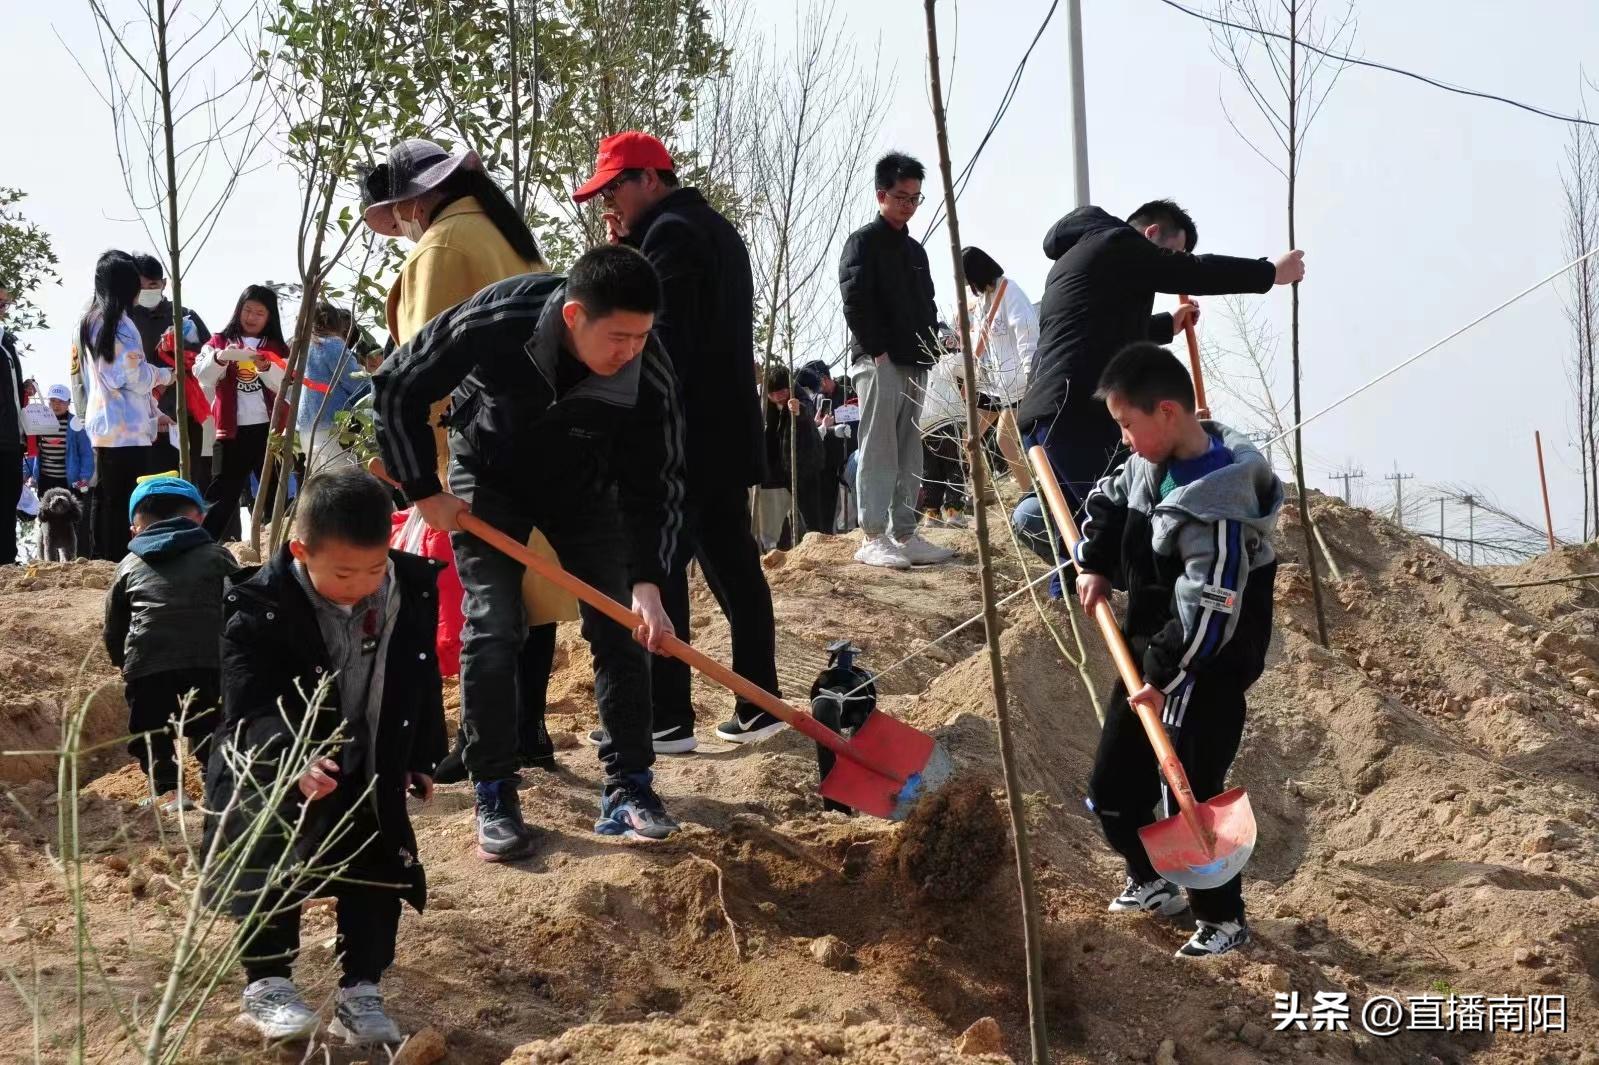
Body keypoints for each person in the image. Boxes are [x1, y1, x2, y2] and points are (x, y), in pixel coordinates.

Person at [372, 245, 685, 859]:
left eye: (642, 336)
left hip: (584, 486)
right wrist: (423, 489)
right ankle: (494, 787)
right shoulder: (498, 320)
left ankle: (629, 785)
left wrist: (648, 580)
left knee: (621, 626)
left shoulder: (650, 372)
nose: (631, 351)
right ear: (573, 316)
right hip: (487, 474)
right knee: (492, 625)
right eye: (618, 337)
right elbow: (397, 384)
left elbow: (661, 480)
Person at [202, 467, 446, 1044]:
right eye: (342, 572)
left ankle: (361, 989)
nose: (361, 583)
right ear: (300, 551)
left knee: (377, 866)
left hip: (366, 760)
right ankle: (267, 985)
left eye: (373, 568)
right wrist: (288, 758)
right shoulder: (257, 606)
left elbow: (419, 676)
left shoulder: (409, 589)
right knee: (269, 864)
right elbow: (246, 705)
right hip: (272, 766)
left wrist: (420, 754)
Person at [363, 137, 574, 778]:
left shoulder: (444, 246)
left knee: (489, 600)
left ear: (418, 200)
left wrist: (417, 473)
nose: (397, 226)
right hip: (536, 434)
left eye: (397, 213)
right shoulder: (507, 237)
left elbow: (423, 370)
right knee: (529, 585)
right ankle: (528, 729)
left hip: (478, 445)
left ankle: (491, 743)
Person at [1072, 342, 1281, 959]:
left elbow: (1210, 611)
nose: (1126, 438)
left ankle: (1222, 918)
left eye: (1128, 424)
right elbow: (1110, 500)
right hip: (1151, 652)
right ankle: (1153, 881)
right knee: (1111, 784)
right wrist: (1099, 565)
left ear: (1166, 412)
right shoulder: (1148, 463)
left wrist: (1165, 675)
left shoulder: (1220, 506)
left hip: (1205, 665)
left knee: (1184, 790)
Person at [574, 131, 783, 747]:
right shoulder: (714, 228)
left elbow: (659, 337)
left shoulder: (671, 236)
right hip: (723, 431)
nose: (609, 201)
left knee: (660, 564)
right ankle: (758, 704)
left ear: (649, 178)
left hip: (683, 432)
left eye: (614, 187)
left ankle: (664, 716)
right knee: (735, 566)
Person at [1015, 199, 1303, 523]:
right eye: (1173, 253)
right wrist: (1271, 273)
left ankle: (1068, 571)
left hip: (1045, 414)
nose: (1171, 262)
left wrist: (1167, 324)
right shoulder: (1120, 242)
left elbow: (1099, 332)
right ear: (1151, 233)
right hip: (1077, 415)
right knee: (1120, 524)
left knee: (1071, 531)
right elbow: (1195, 271)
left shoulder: (1082, 256)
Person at [838, 152, 956, 569]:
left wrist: (939, 337)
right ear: (881, 195)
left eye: (915, 198)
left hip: (915, 360)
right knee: (879, 446)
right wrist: (879, 350)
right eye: (902, 196)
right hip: (878, 361)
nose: (908, 205)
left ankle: (905, 532)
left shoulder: (915, 252)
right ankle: (872, 534)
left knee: (910, 449)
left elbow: (926, 305)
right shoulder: (862, 243)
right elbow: (854, 300)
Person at [104, 476, 236, 810]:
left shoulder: (128, 565)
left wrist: (126, 665)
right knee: (210, 721)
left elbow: (114, 627)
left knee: (151, 730)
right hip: (209, 660)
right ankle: (216, 781)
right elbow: (240, 605)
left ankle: (167, 787)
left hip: (148, 662)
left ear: (135, 529)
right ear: (199, 518)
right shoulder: (218, 555)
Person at [78, 251, 172, 562]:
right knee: (123, 499)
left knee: (106, 496)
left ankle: (103, 555)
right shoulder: (118, 324)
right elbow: (132, 376)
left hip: (106, 423)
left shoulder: (91, 320)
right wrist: (164, 374)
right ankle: (119, 556)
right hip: (127, 428)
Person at [194, 285, 289, 542]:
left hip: (270, 430)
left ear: (270, 317)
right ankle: (202, 544)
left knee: (274, 492)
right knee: (221, 494)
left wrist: (265, 365)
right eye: (247, 310)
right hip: (229, 430)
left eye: (259, 313)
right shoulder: (218, 342)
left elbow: (284, 383)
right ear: (238, 310)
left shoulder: (278, 347)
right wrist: (221, 358)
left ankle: (276, 543)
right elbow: (201, 374)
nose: (251, 317)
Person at [130, 254, 213, 487]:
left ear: (164, 284)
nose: (147, 290)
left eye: (153, 285)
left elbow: (206, 357)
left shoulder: (185, 316)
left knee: (188, 481)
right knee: (149, 487)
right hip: (142, 419)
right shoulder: (124, 321)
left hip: (184, 414)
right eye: (141, 285)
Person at [961, 246, 1037, 491]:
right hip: (995, 384)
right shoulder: (983, 300)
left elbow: (1026, 334)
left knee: (1004, 438)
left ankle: (1031, 494)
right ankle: (987, 493)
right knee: (972, 438)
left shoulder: (1010, 292)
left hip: (1019, 383)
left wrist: (1030, 374)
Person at [297, 302, 369, 473]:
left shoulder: (301, 348)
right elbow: (356, 382)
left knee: (318, 481)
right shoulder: (331, 345)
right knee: (342, 481)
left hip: (306, 428)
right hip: (333, 426)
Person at [757, 366, 825, 549]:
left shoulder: (798, 395)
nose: (778, 397)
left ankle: (815, 547)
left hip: (804, 463)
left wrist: (798, 410)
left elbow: (808, 410)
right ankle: (783, 549)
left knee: (810, 511)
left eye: (782, 392)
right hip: (777, 467)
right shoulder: (764, 399)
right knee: (778, 513)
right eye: (773, 394)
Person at [24, 384, 93, 556]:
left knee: (70, 520)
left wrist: (85, 476)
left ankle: (73, 558)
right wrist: (26, 473)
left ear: (68, 402)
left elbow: (85, 452)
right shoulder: (39, 422)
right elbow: (32, 451)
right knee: (46, 521)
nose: (56, 405)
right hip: (46, 479)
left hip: (68, 481)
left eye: (61, 401)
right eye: (53, 401)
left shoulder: (74, 424)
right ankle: (45, 558)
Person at [916, 347, 969, 532]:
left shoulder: (918, 363)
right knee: (954, 465)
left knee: (930, 470)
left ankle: (932, 512)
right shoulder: (948, 359)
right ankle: (954, 510)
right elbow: (971, 367)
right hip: (947, 418)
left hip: (923, 422)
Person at [1, 287, 26, 565]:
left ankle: (7, 559)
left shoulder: (6, 340)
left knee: (9, 498)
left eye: (6, 303)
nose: (3, 307)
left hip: (11, 436)